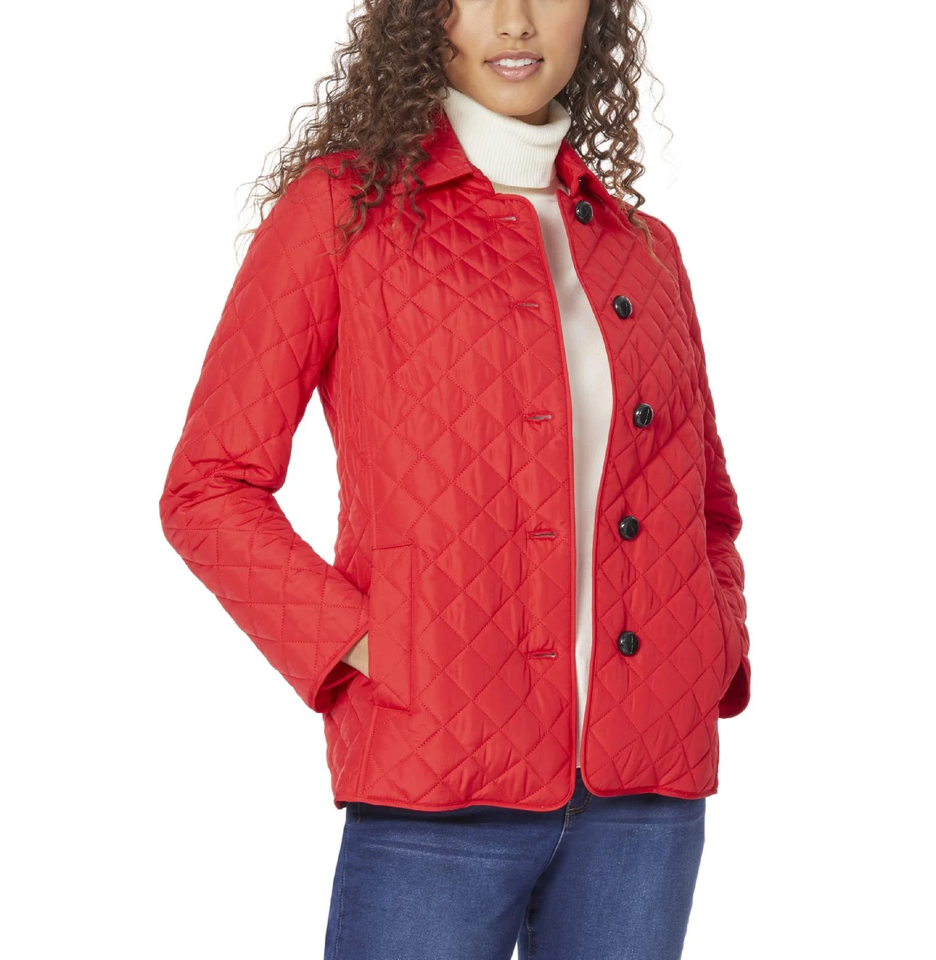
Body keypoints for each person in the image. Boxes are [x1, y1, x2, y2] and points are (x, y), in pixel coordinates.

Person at [158, 1, 752, 957]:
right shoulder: (346, 210)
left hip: (645, 796)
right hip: (435, 778)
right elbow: (209, 486)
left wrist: (713, 641)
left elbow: (706, 505)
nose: (515, 21)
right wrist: (369, 646)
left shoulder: (645, 250)